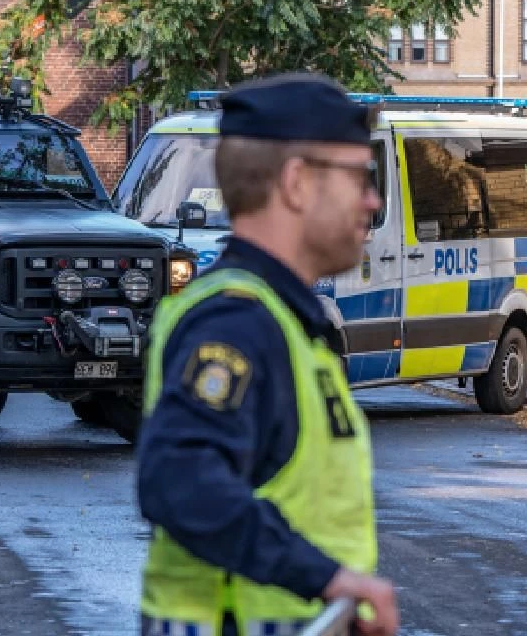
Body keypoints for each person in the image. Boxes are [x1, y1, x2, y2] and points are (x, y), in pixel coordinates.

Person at [136, 73, 399, 636]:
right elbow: (178, 479)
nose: (374, 200)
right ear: (298, 182)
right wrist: (325, 578)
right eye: (361, 176)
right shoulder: (237, 323)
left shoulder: (281, 320)